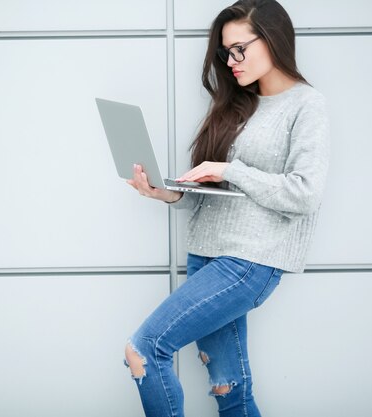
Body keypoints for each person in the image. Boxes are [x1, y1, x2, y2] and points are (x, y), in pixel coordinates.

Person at [123, 0, 330, 416]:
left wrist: (232, 168)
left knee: (144, 349)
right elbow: (221, 190)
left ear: (273, 40)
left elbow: (304, 193)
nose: (231, 61)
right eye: (225, 53)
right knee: (229, 390)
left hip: (249, 262)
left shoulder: (307, 105)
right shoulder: (236, 104)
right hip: (206, 255)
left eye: (240, 49)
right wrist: (170, 194)